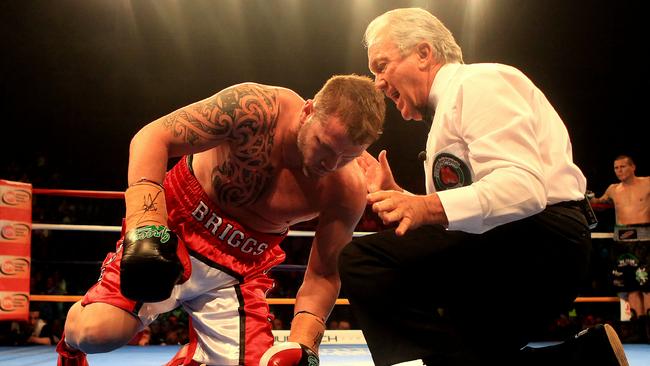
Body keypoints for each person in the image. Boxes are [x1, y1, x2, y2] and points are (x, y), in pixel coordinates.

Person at [338, 7, 629, 366]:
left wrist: (424, 208)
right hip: (518, 242)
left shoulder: (477, 83)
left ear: (424, 53)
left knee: (363, 261)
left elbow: (523, 187)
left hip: (541, 240)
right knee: (475, 354)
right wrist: (403, 197)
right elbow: (470, 205)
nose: (378, 82)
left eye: (381, 65)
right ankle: (589, 357)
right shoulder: (446, 114)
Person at [56, 74, 385, 366]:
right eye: (324, 146)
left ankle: (194, 358)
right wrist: (147, 227)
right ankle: (71, 344)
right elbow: (153, 138)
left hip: (239, 269)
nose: (331, 163)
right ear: (308, 111)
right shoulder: (255, 109)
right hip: (174, 230)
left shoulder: (346, 190)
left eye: (348, 157)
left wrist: (306, 346)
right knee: (98, 332)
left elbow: (324, 275)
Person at [591, 155, 650, 342]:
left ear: (633, 167)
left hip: (645, 238)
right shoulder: (613, 189)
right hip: (622, 241)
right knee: (629, 285)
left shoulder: (648, 183)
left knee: (647, 285)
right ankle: (637, 326)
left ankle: (649, 326)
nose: (619, 171)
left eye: (623, 166)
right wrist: (587, 199)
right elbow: (598, 205)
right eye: (616, 168)